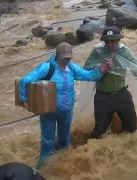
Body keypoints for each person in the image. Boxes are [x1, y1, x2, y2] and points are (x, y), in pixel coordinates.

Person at [18, 42, 112, 170]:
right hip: (49, 111)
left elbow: (88, 76)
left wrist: (101, 70)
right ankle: (41, 167)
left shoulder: (72, 68)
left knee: (64, 139)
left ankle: (63, 165)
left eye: (68, 57)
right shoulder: (47, 68)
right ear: (58, 56)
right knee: (47, 141)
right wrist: (24, 99)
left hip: (66, 111)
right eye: (64, 57)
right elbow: (25, 80)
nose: (66, 60)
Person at [83, 26, 137, 139]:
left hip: (121, 95)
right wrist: (100, 66)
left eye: (113, 41)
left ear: (118, 40)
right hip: (103, 97)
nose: (110, 45)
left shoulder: (125, 52)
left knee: (132, 129)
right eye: (107, 42)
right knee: (99, 132)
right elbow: (86, 68)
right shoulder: (98, 51)